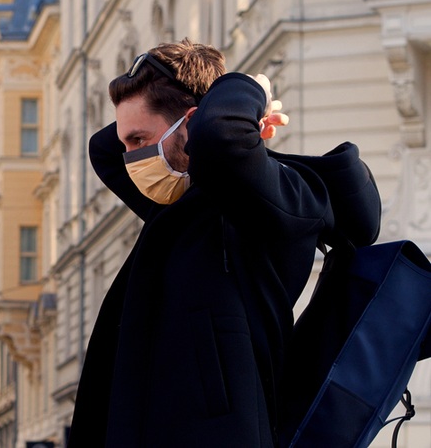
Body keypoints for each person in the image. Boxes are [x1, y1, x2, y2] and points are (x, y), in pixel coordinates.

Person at [68, 39, 381, 446]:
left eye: (139, 140)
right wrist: (166, 107)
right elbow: (103, 150)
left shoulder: (277, 198)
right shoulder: (180, 206)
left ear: (193, 125)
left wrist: (252, 90)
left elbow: (219, 136)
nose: (130, 158)